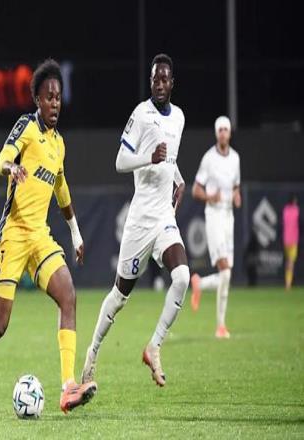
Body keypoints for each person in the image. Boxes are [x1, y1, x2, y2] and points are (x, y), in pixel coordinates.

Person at [0, 59, 97, 413]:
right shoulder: (26, 127)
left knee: (68, 296)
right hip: (13, 236)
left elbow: (62, 190)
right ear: (37, 100)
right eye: (48, 97)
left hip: (40, 237)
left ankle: (68, 387)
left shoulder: (59, 144)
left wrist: (75, 234)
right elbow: (0, 159)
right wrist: (11, 167)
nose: (54, 103)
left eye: (58, 97)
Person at [82, 54, 189, 388]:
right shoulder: (141, 114)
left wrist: (178, 179)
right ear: (151, 82)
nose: (159, 84)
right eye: (155, 78)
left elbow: (170, 158)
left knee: (182, 277)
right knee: (119, 297)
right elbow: (120, 161)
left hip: (164, 218)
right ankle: (91, 354)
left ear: (172, 83)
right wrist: (149, 157)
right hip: (140, 221)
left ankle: (154, 346)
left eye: (164, 79)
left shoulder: (179, 118)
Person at [190, 116, 241, 339]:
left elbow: (236, 186)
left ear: (229, 133)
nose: (222, 133)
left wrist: (237, 196)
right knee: (226, 271)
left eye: (225, 129)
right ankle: (220, 326)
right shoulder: (209, 158)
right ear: (216, 133)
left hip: (229, 216)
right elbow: (195, 189)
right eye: (219, 130)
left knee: (226, 274)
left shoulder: (235, 158)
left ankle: (200, 284)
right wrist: (210, 197)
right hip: (214, 216)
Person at [283, 195, 299, 290]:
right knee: (291, 262)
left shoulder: (285, 210)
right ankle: (288, 284)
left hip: (286, 240)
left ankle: (287, 283)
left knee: (288, 261)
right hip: (293, 240)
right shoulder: (296, 210)